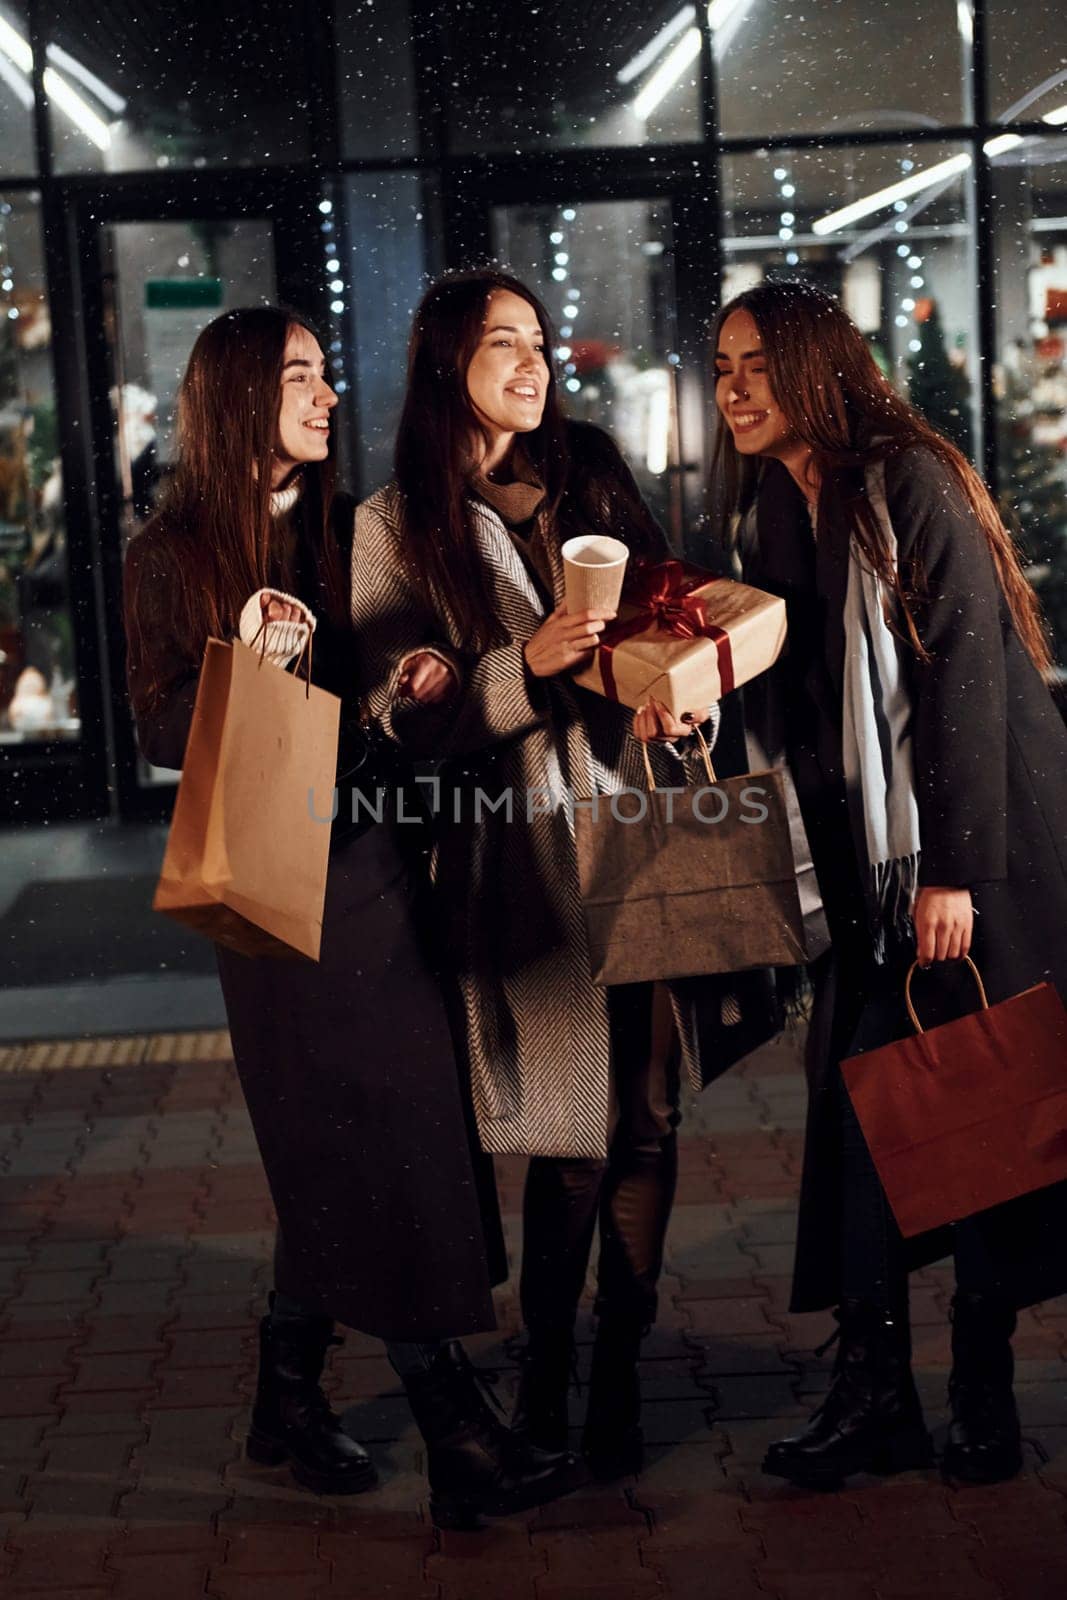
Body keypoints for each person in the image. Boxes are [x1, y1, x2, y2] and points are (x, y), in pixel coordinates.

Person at [123, 305, 579, 1529]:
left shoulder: (338, 531)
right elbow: (158, 724)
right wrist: (246, 670)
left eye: (326, 373)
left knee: (367, 1126)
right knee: (377, 1127)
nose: (328, 396)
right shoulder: (168, 552)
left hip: (368, 854)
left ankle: (287, 1395)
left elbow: (374, 692)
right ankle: (455, 1432)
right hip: (259, 873)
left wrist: (409, 678)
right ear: (236, 401)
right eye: (300, 378)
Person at [351, 269, 720, 1480]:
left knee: (649, 1115)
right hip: (517, 854)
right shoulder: (389, 524)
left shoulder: (592, 465)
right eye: (501, 340)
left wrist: (670, 681)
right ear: (444, 359)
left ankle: (618, 1359)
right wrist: (523, 662)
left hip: (642, 826)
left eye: (538, 339)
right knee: (574, 1134)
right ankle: (550, 1364)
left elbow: (670, 608)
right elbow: (395, 721)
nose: (530, 360)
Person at [712, 278, 1067, 1488]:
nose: (732, 388)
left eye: (754, 362)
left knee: (969, 1112)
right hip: (865, 860)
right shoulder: (773, 502)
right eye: (720, 367)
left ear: (816, 365)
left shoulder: (903, 479)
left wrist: (952, 873)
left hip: (973, 857)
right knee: (865, 1114)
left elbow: (967, 676)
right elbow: (793, 692)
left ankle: (977, 1388)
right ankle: (875, 1393)